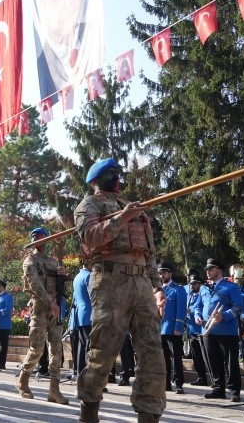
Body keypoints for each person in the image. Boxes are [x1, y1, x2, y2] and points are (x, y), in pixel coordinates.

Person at [73, 158, 166, 423]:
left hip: (141, 284)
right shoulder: (88, 205)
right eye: (111, 173)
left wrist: (157, 287)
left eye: (117, 173)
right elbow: (90, 237)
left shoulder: (131, 207)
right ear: (95, 180)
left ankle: (149, 414)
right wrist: (122, 219)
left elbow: (147, 253)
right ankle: (89, 407)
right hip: (110, 281)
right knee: (104, 351)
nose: (117, 178)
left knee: (152, 351)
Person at [16, 227, 69, 404]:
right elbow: (35, 285)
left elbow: (63, 289)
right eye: (35, 237)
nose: (39, 240)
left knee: (56, 349)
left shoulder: (54, 262)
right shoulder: (29, 261)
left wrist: (64, 276)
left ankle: (54, 390)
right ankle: (23, 380)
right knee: (37, 349)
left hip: (55, 309)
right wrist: (51, 303)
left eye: (41, 237)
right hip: (39, 307)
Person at [195, 258, 243, 402]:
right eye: (206, 269)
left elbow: (238, 307)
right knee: (213, 361)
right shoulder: (204, 287)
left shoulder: (231, 287)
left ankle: (234, 390)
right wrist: (197, 315)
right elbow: (197, 305)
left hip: (227, 331)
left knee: (230, 363)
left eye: (211, 269)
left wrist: (225, 315)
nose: (207, 271)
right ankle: (218, 388)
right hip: (208, 331)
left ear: (219, 270)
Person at [158, 263, 186, 394]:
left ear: (170, 274)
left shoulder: (178, 289)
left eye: (164, 272)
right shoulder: (158, 290)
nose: (161, 275)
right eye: (160, 273)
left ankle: (179, 383)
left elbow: (181, 310)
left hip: (172, 328)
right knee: (163, 358)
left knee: (176, 357)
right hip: (161, 328)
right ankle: (166, 383)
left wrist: (178, 326)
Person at [184, 269, 209, 386]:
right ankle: (201, 377)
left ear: (200, 284)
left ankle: (212, 378)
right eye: (191, 284)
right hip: (191, 328)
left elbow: (202, 308)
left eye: (195, 284)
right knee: (196, 356)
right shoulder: (191, 295)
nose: (192, 285)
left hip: (201, 329)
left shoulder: (203, 294)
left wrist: (191, 311)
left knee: (206, 355)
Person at [69, 264, 92, 381]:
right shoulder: (89, 276)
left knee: (82, 346)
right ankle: (90, 377)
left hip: (80, 315)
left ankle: (80, 373)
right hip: (89, 315)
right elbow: (93, 296)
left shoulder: (78, 276)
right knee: (90, 347)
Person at [0, 279, 14, 370]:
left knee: (4, 345)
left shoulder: (8, 297)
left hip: (4, 325)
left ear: (1, 286)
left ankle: (2, 363)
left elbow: (7, 310)